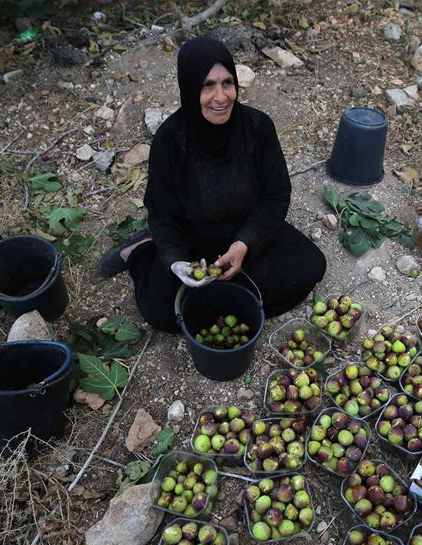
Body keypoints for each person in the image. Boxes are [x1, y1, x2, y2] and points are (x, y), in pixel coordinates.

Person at [100, 35, 327, 333]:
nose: (221, 97)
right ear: (190, 88)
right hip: (192, 237)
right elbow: (162, 213)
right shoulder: (170, 140)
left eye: (227, 83)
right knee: (162, 313)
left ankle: (219, 299)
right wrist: (176, 259)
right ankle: (141, 251)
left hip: (245, 231)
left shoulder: (259, 127)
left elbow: (275, 196)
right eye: (207, 85)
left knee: (310, 265)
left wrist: (244, 244)